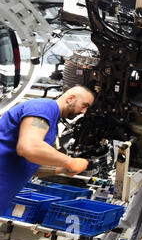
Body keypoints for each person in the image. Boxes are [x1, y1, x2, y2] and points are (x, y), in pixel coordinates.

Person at [0, 85, 95, 214]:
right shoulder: (43, 108)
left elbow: (29, 163)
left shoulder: (51, 121)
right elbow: (29, 148)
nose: (84, 112)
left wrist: (60, 169)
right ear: (71, 98)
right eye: (84, 105)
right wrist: (70, 161)